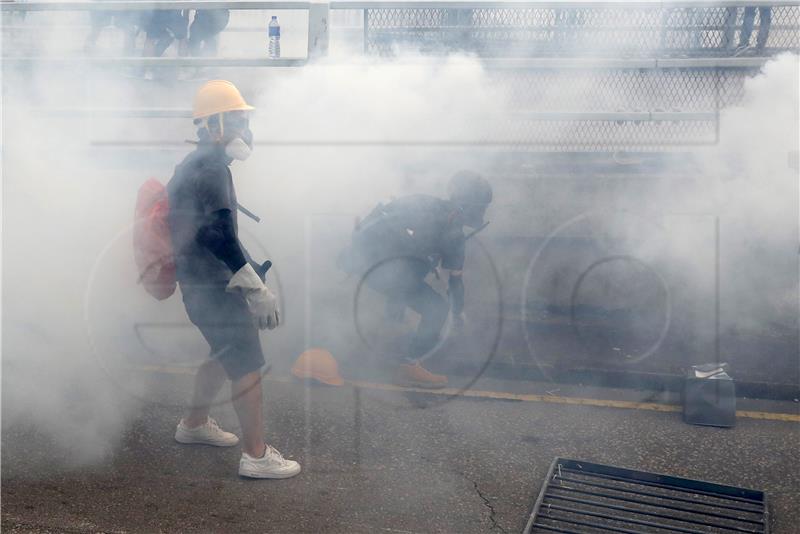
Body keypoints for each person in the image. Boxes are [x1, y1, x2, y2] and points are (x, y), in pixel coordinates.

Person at [166, 80, 300, 479]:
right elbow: (216, 235)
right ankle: (256, 455)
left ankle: (193, 424)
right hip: (209, 285)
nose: (244, 130)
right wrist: (255, 287)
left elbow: (211, 232)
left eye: (244, 120)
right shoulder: (210, 171)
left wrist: (248, 269)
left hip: (202, 282)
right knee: (247, 362)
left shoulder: (198, 165)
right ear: (212, 126)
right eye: (236, 120)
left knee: (223, 350)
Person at [339, 171, 493, 389]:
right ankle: (408, 366)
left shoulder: (422, 201)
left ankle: (384, 348)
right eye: (482, 205)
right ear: (472, 204)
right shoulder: (454, 234)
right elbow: (455, 282)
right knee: (437, 309)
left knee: (405, 289)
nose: (483, 210)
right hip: (388, 273)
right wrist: (458, 312)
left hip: (363, 263)